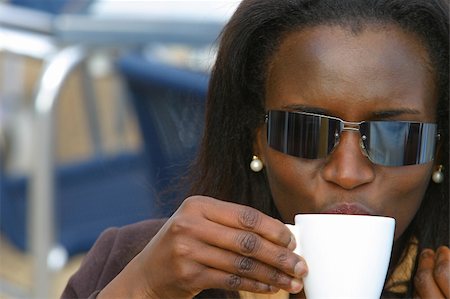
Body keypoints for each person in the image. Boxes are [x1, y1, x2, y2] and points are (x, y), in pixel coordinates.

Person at [62, 0, 449, 298]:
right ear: (256, 138)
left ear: (439, 148)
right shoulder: (134, 264)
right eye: (305, 131)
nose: (347, 172)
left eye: (395, 135)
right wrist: (143, 288)